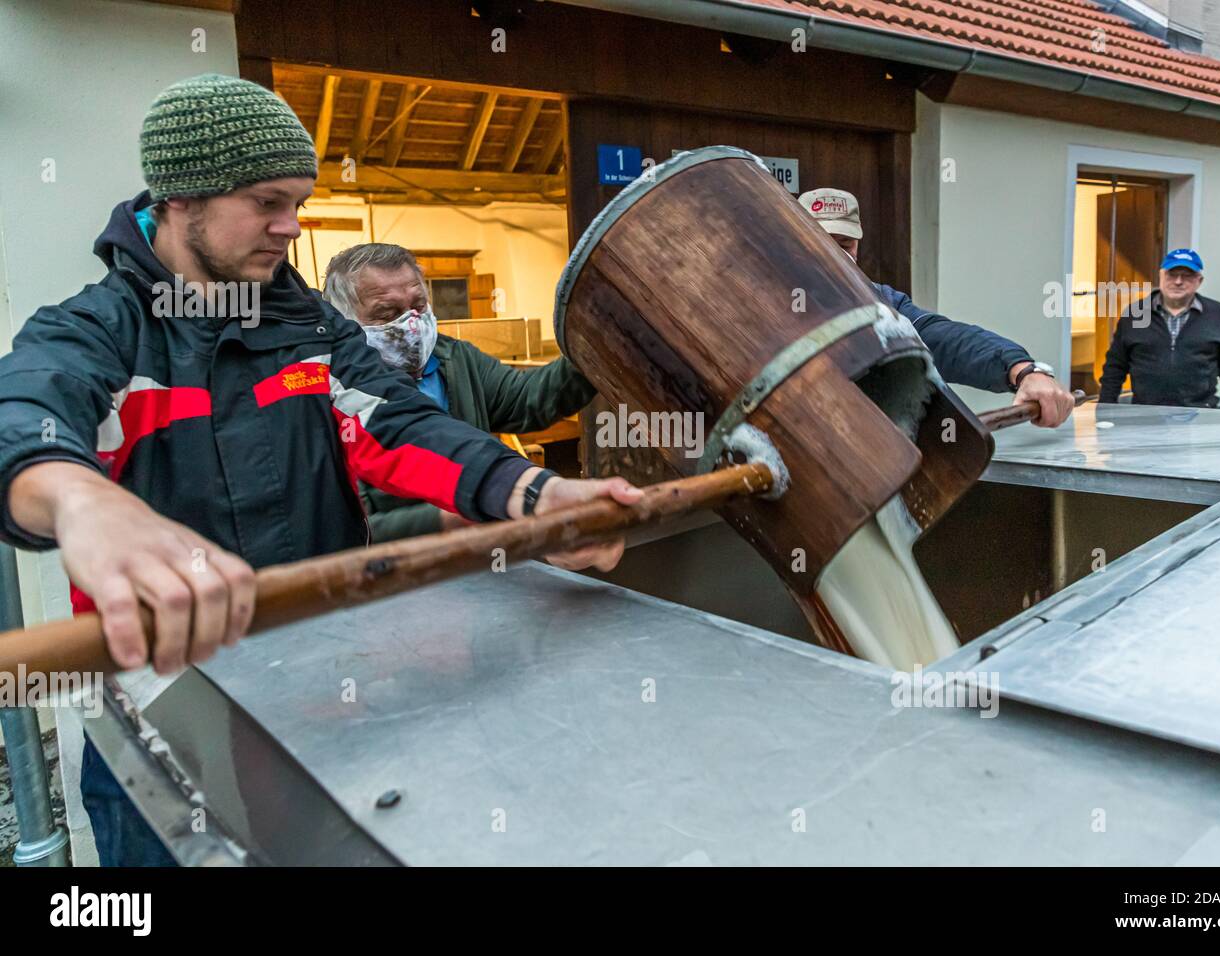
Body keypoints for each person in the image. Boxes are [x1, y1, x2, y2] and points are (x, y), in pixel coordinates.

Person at [0, 74, 641, 865]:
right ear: (181, 199)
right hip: (163, 712)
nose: (289, 227)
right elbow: (27, 419)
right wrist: (79, 501)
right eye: (267, 202)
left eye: (298, 203)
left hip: (325, 683)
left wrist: (533, 492)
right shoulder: (99, 331)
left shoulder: (307, 329)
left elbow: (399, 423)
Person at [323, 243, 596, 541]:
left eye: (418, 305)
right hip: (394, 572)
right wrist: (457, 513)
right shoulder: (334, 392)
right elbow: (340, 525)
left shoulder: (454, 359)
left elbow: (526, 398)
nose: (410, 323)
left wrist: (589, 354)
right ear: (343, 320)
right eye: (387, 313)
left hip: (478, 558)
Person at [797, 188, 1076, 427]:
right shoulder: (772, 302)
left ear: (857, 244)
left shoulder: (884, 304)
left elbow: (944, 338)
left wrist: (1023, 369)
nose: (837, 255)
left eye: (845, 244)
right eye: (823, 243)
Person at [1099, 249, 1220, 410]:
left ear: (1199, 280)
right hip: (1146, 415)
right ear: (1161, 276)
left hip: (1200, 415)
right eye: (1172, 274)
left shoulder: (1217, 314)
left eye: (1187, 275)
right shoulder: (1136, 314)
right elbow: (1115, 368)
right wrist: (1105, 410)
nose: (1178, 281)